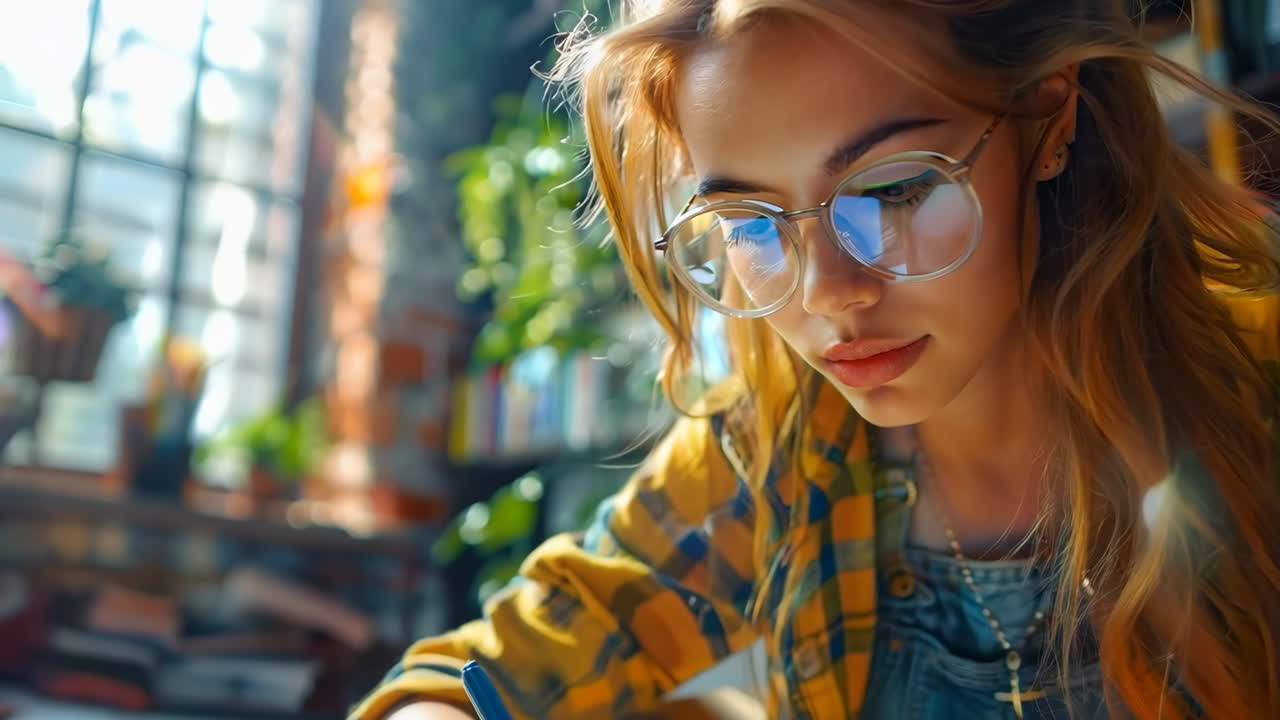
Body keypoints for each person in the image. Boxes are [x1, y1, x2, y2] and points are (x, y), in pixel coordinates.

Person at [351, 0, 1280, 718]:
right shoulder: (772, 458)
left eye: (896, 189)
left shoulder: (1252, 391)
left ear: (1048, 115)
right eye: (752, 225)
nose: (829, 292)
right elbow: (478, 670)